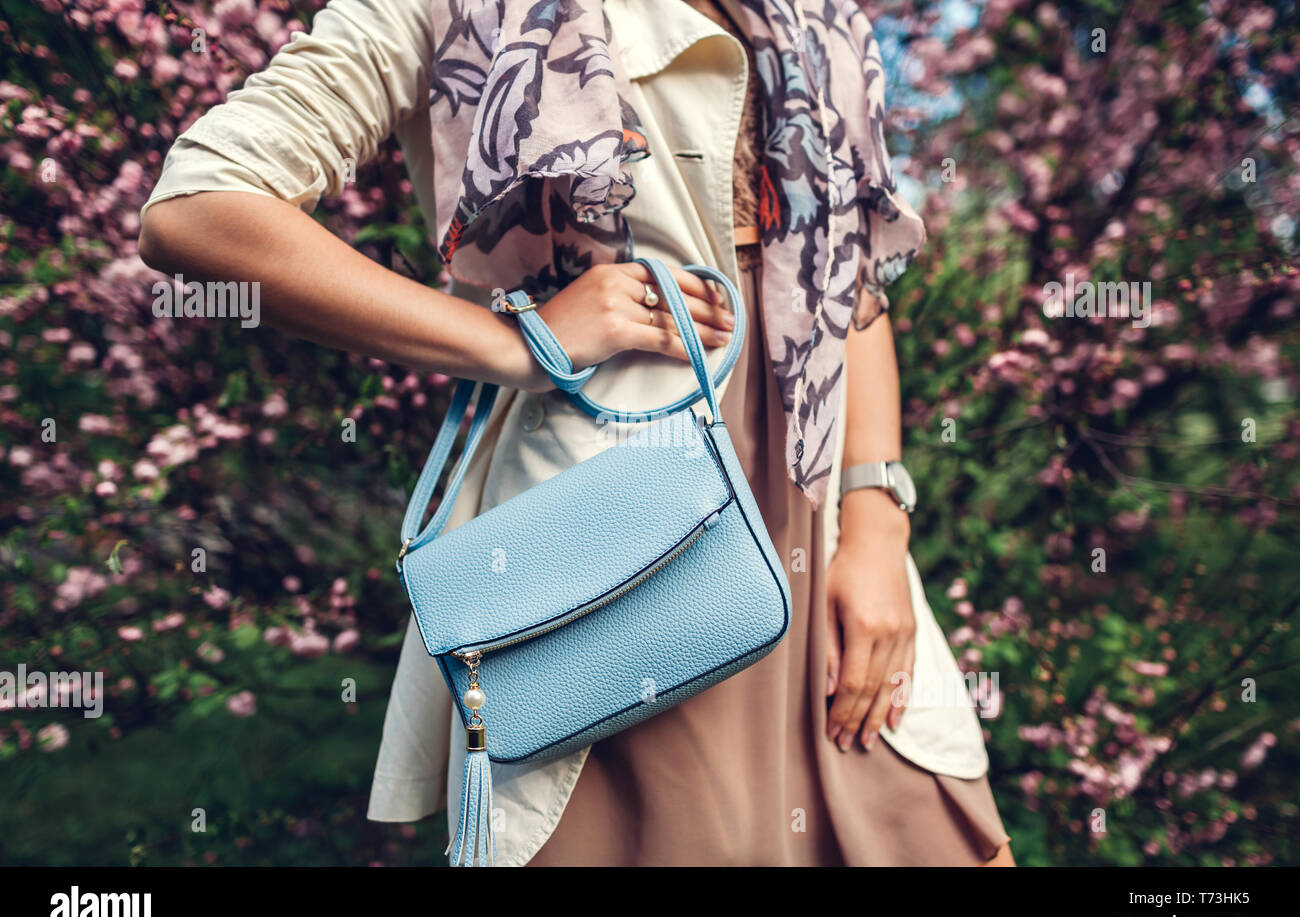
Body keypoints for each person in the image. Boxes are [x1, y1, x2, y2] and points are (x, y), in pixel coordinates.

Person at [139, 0, 1013, 866]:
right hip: (617, 546)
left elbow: (845, 285)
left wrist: (875, 520)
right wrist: (516, 340)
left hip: (819, 526)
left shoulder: (814, 17)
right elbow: (199, 208)